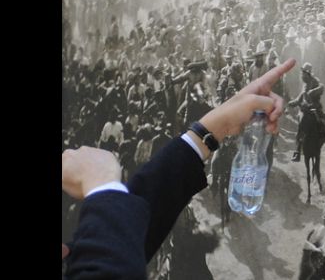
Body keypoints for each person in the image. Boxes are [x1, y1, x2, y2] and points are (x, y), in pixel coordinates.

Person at [62, 59, 296, 277]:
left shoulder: (201, 80)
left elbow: (129, 236)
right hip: (188, 114)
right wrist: (102, 186)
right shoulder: (190, 82)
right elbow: (109, 262)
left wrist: (214, 126)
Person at [289, 63, 325, 162]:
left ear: (308, 73)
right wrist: (292, 103)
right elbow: (300, 97)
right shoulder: (304, 85)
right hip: (305, 110)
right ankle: (297, 152)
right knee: (301, 128)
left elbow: (322, 87)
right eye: (302, 73)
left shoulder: (315, 81)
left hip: (316, 108)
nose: (302, 75)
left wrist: (314, 91)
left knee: (324, 126)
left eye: (304, 73)